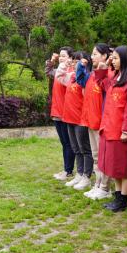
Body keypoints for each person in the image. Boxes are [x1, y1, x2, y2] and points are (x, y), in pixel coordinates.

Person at [94, 46, 127, 213]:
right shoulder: (115, 77)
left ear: (125, 60)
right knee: (114, 167)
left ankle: (123, 200)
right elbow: (100, 84)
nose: (112, 60)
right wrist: (102, 68)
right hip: (109, 128)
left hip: (121, 131)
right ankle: (118, 197)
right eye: (112, 57)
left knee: (124, 168)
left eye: (115, 58)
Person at [80, 44, 113, 200]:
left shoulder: (107, 75)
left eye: (95, 54)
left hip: (101, 123)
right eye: (92, 54)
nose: (92, 57)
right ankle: (97, 184)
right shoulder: (92, 74)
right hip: (90, 120)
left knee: (102, 156)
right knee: (95, 155)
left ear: (105, 56)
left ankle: (105, 187)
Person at [57, 51, 93, 191]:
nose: (75, 62)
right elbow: (60, 76)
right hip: (69, 118)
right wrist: (65, 65)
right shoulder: (72, 76)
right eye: (74, 60)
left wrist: (81, 69)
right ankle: (79, 173)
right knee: (76, 148)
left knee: (85, 149)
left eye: (78, 60)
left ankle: (86, 176)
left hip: (80, 119)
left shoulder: (85, 78)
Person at [47, 48, 75, 181]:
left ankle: (68, 171)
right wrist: (51, 61)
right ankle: (67, 169)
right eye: (61, 56)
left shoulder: (69, 73)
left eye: (64, 56)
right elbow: (48, 72)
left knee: (68, 143)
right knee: (64, 143)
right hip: (57, 112)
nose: (61, 58)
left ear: (70, 58)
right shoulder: (59, 71)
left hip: (66, 113)